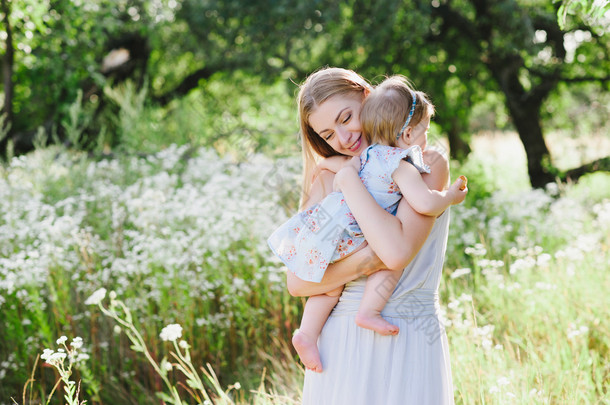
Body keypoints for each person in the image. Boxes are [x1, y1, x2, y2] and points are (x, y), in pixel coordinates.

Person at [268, 75, 467, 372]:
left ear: (368, 97)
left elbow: (395, 253)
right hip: (339, 345)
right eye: (328, 135)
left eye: (346, 118)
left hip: (407, 334)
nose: (344, 138)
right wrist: (345, 179)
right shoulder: (327, 177)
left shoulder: (425, 163)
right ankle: (306, 334)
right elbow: (297, 282)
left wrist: (348, 182)